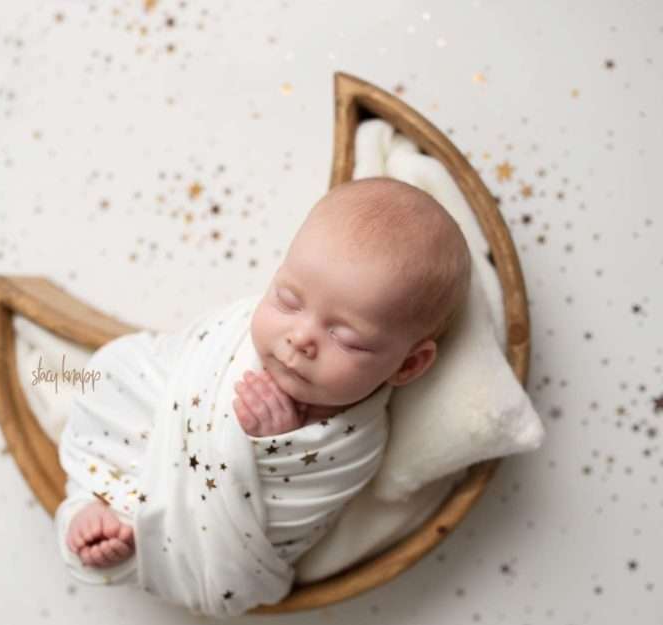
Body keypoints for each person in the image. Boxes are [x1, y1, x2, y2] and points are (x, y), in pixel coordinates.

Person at [62, 176, 472, 577]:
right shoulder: (234, 337)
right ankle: (93, 498)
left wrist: (276, 445)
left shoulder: (356, 442)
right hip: (154, 428)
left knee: (179, 527)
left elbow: (291, 518)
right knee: (118, 369)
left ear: (408, 365)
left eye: (345, 339)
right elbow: (182, 361)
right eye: (288, 300)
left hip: (207, 535)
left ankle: (129, 529)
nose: (300, 338)